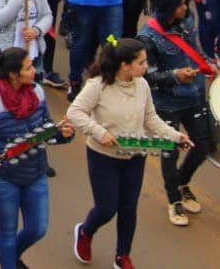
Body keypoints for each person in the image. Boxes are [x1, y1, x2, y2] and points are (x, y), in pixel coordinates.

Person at [67, 38, 192, 269]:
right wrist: (99, 132)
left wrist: (176, 136)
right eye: (142, 63)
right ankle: (85, 231)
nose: (146, 67)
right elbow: (74, 112)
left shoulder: (142, 85)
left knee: (128, 208)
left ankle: (122, 255)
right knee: (106, 208)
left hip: (134, 156)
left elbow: (150, 119)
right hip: (103, 157)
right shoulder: (98, 86)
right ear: (124, 65)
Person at [0, 47, 74, 269]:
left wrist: (63, 135)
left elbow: (46, 130)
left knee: (38, 228)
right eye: (28, 67)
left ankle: (12, 258)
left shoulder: (38, 93)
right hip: (3, 178)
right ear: (14, 75)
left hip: (35, 172)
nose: (34, 70)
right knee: (7, 231)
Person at [137, 0, 213, 227]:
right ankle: (173, 200)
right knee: (169, 153)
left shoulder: (188, 20)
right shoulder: (148, 38)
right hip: (167, 103)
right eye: (180, 5)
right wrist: (175, 76)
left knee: (203, 145)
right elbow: (147, 76)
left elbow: (195, 49)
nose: (185, 8)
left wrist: (207, 66)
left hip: (195, 95)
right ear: (168, 7)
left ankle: (182, 182)